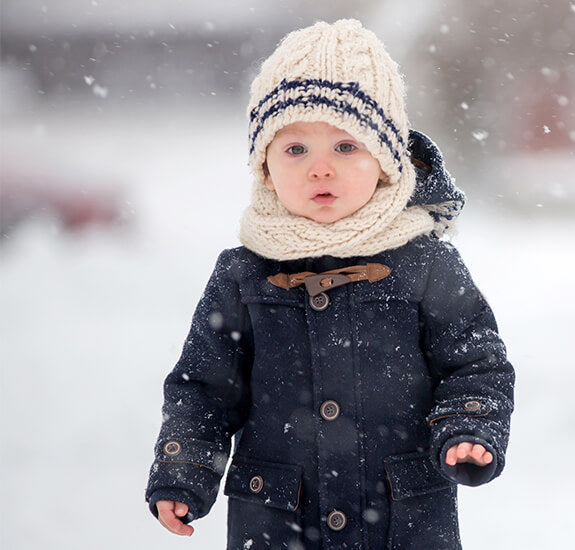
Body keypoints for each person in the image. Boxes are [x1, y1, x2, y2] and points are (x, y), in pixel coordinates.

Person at [145, 19, 515, 550]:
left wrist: (467, 427)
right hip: (277, 518)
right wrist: (185, 469)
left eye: (346, 147)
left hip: (399, 521)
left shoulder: (427, 264)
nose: (321, 169)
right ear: (265, 167)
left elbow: (476, 363)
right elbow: (203, 390)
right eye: (296, 149)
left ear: (386, 162)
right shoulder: (242, 273)